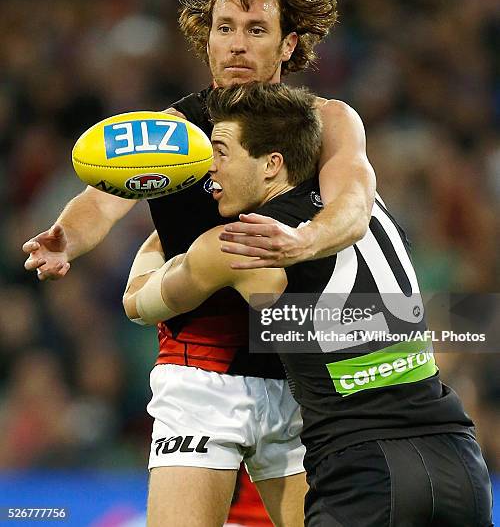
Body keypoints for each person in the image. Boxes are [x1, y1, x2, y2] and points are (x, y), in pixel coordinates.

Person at [22, 0, 376, 526]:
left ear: (288, 44)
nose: (237, 44)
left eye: (256, 29)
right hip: (200, 372)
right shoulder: (174, 132)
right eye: (224, 27)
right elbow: (101, 200)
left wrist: (306, 240)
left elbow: (355, 200)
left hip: (303, 376)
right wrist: (66, 237)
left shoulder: (328, 122)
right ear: (205, 38)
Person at [124, 82, 493, 527]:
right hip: (458, 459)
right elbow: (398, 317)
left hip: (363, 471)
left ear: (271, 164)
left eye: (221, 152)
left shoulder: (241, 244)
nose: (210, 171)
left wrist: (163, 234)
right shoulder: (365, 208)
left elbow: (137, 303)